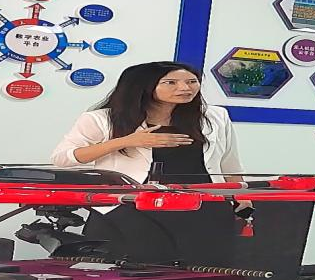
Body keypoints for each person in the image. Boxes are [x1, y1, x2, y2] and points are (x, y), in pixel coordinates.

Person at [51, 61, 244, 265]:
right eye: (171, 82)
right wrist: (126, 141)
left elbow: (229, 162)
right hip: (129, 210)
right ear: (142, 86)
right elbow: (63, 158)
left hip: (203, 207)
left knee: (207, 268)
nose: (185, 88)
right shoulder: (102, 119)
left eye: (191, 81)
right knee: (128, 271)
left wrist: (241, 198)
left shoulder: (215, 116)